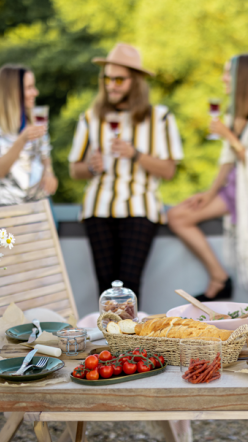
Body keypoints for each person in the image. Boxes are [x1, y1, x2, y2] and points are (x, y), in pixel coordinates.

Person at [68, 43, 183, 299]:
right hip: (98, 209)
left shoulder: (160, 118)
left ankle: (131, 339)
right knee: (106, 289)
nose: (111, 84)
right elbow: (75, 170)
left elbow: (169, 170)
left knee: (129, 285)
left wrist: (135, 155)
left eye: (119, 78)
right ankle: (112, 339)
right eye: (106, 78)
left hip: (139, 208)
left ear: (136, 81)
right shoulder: (90, 118)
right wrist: (90, 167)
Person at [167, 55, 248, 310]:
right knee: (178, 215)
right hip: (233, 191)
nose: (223, 78)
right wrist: (209, 193)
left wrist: (227, 134)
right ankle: (219, 276)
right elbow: (228, 159)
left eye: (229, 73)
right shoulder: (238, 113)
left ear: (244, 77)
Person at [0, 64, 58, 206]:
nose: (35, 92)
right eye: (29, 88)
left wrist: (49, 173)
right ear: (11, 91)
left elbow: (45, 154)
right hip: (5, 208)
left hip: (40, 203)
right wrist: (22, 139)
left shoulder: (35, 117)